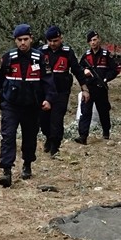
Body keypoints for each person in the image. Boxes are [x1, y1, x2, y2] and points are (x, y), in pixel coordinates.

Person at [0, 24, 54, 187]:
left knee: (29, 137)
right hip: (11, 104)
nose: (23, 43)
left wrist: (49, 99)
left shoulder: (40, 58)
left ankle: (27, 164)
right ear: (15, 41)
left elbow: (48, 81)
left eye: (25, 39)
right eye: (19, 40)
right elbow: (0, 78)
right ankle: (7, 171)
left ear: (31, 39)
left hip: (32, 105)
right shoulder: (9, 57)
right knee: (8, 136)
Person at [39, 25, 87, 156]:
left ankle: (55, 146)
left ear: (61, 38)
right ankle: (48, 137)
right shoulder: (41, 52)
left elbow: (77, 70)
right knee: (43, 120)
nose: (52, 44)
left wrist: (84, 88)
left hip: (61, 92)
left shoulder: (67, 52)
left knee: (57, 119)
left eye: (55, 41)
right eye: (50, 41)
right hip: (44, 92)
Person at [74, 30, 120, 144]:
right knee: (85, 112)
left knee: (103, 111)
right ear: (88, 42)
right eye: (91, 40)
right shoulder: (86, 55)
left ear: (99, 40)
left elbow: (115, 70)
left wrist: (106, 78)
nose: (93, 42)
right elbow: (78, 69)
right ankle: (83, 136)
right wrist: (84, 71)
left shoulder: (106, 54)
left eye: (95, 39)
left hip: (101, 88)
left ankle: (106, 132)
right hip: (89, 88)